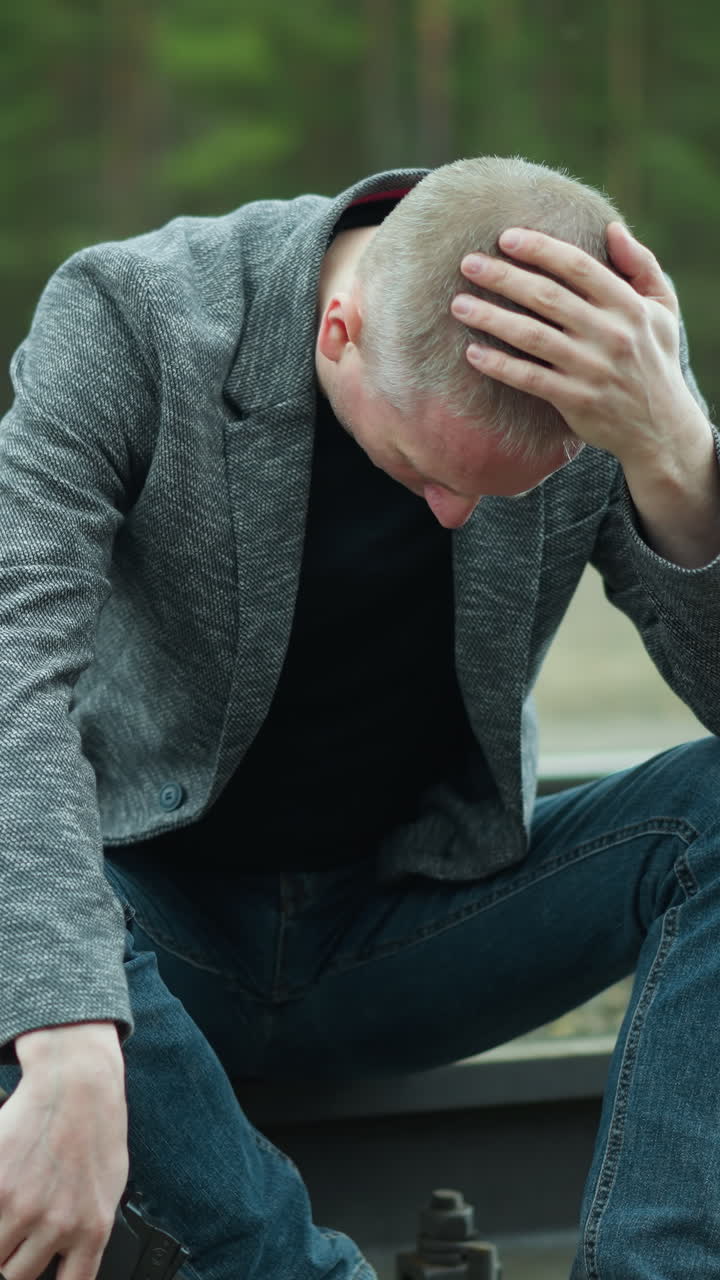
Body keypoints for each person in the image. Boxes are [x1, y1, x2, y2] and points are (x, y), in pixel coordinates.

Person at [0, 153, 718, 1280]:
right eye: (424, 467)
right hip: (149, 952)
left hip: (409, 936)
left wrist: (679, 455)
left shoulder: (608, 380)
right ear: (339, 330)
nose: (455, 515)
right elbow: (14, 681)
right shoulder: (135, 316)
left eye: (501, 491)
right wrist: (66, 1027)